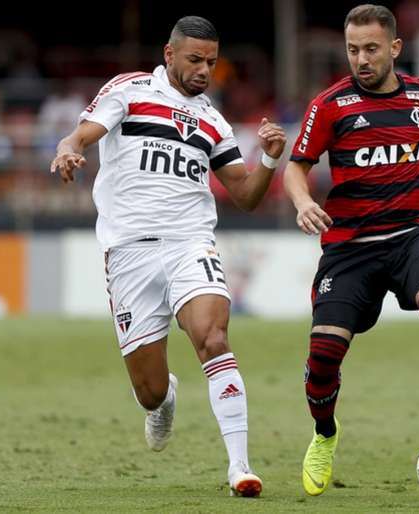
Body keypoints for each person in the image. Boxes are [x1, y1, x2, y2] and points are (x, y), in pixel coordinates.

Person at [50, 16, 286, 498]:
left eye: (212, 63)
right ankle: (164, 401)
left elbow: (243, 194)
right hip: (130, 251)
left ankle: (239, 467)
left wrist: (268, 160)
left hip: (189, 243)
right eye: (196, 60)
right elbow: (82, 134)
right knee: (150, 390)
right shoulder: (130, 91)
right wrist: (69, 150)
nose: (204, 70)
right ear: (169, 54)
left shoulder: (213, 120)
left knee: (213, 337)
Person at [283, 4, 419, 497]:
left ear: (394, 48)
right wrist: (302, 202)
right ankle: (325, 435)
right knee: (323, 353)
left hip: (412, 234)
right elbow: (295, 167)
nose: (360, 59)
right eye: (352, 50)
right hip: (350, 249)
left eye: (370, 49)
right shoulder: (330, 106)